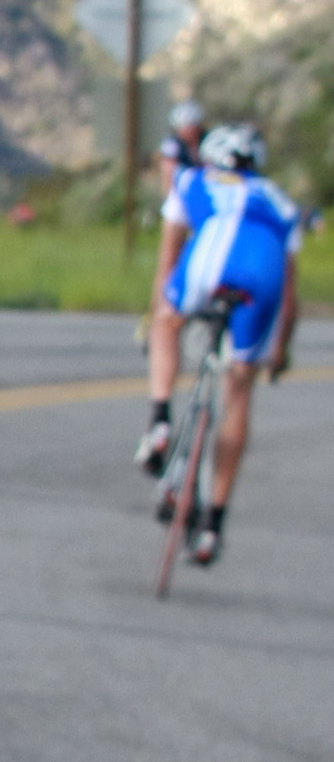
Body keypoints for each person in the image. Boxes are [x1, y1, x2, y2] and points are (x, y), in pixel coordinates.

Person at [132, 121, 302, 555]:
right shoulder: (282, 202)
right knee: (239, 390)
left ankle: (160, 421)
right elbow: (289, 300)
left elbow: (168, 260)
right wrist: (280, 351)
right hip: (262, 276)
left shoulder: (193, 179)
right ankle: (213, 523)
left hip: (212, 257)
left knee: (167, 322)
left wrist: (156, 317)